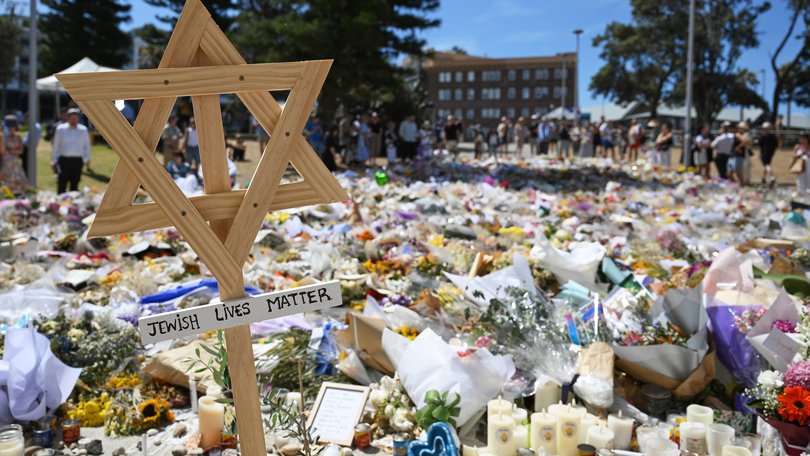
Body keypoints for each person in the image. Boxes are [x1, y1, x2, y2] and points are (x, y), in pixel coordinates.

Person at [51, 108, 91, 193]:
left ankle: (73, 205)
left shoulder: (83, 130)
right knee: (62, 184)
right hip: (64, 160)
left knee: (75, 185)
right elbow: (56, 145)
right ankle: (60, 203)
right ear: (68, 118)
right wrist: (54, 160)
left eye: (76, 118)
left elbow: (87, 146)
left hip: (77, 161)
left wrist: (86, 159)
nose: (74, 120)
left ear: (78, 118)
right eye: (72, 117)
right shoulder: (61, 129)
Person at [0, 115, 29, 194]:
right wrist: (3, 137)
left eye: (13, 127)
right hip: (5, 164)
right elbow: (2, 151)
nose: (11, 130)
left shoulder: (18, 136)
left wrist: (12, 151)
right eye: (9, 128)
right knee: (5, 184)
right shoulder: (2, 137)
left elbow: (21, 151)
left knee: (19, 183)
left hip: (15, 163)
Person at [756, 122, 778, 187]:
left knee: (767, 165)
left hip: (764, 153)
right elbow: (776, 144)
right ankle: (763, 178)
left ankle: (772, 177)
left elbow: (759, 143)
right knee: (767, 165)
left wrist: (756, 141)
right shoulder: (773, 136)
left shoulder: (764, 136)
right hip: (771, 153)